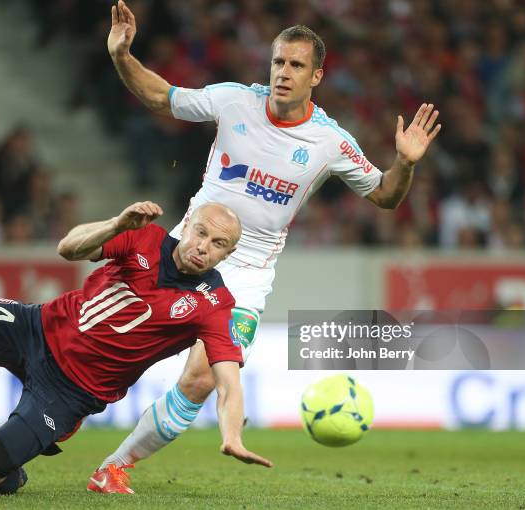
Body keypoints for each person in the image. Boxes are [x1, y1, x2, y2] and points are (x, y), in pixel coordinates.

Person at [95, 1, 442, 493]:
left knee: (201, 379)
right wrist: (122, 56)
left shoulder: (330, 141)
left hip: (248, 274)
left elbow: (385, 196)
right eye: (278, 61)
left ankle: (114, 466)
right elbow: (161, 97)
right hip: (187, 250)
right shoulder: (234, 100)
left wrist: (405, 163)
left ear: (316, 76)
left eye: (296, 65)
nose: (283, 73)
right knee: (107, 343)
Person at [0, 200, 272, 495]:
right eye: (200, 233)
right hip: (38, 327)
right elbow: (68, 249)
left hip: (70, 390)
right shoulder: (145, 236)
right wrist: (116, 225)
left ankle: (12, 475)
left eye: (218, 244)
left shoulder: (214, 305)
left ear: (227, 255)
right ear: (185, 226)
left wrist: (232, 435)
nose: (203, 247)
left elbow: (228, 381)